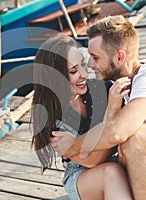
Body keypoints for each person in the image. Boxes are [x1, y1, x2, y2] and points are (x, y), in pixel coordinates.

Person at [51, 15, 146, 200]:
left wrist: (73, 144)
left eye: (95, 57)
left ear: (120, 57)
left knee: (135, 137)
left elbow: (116, 133)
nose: (89, 65)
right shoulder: (123, 86)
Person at [31, 35, 132, 200]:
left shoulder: (102, 88)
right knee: (110, 173)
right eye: (73, 71)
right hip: (83, 175)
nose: (84, 74)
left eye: (83, 65)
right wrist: (112, 110)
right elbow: (93, 160)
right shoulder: (51, 119)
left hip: (118, 160)